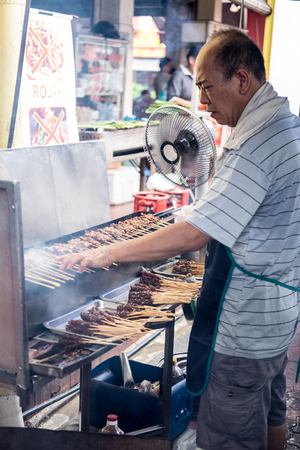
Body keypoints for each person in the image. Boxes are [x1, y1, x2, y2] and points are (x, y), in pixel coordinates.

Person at [57, 29, 300, 450]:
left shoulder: (257, 145)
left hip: (243, 328)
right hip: (276, 320)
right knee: (269, 413)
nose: (202, 103)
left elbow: (192, 233)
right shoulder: (286, 126)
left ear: (242, 80)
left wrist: (105, 253)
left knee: (231, 436)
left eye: (206, 87)